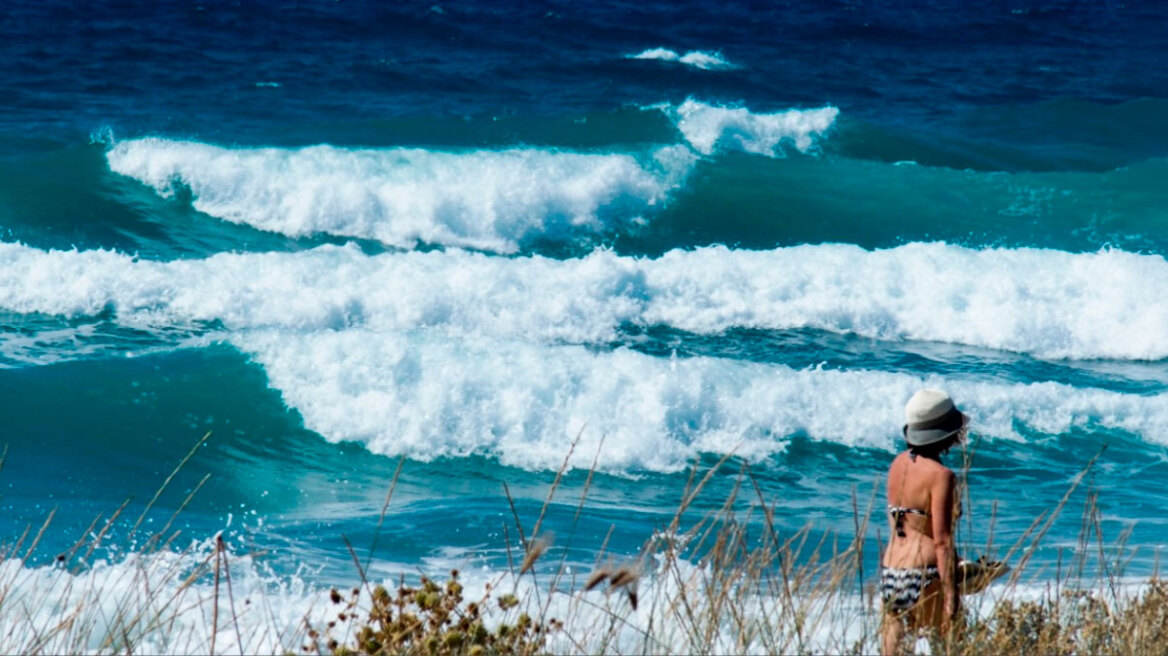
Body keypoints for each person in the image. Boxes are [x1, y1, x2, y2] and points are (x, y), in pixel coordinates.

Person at [880, 389, 967, 655]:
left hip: (892, 570)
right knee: (952, 643)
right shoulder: (942, 476)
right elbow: (941, 541)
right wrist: (951, 594)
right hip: (925, 572)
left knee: (894, 651)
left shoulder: (897, 464)